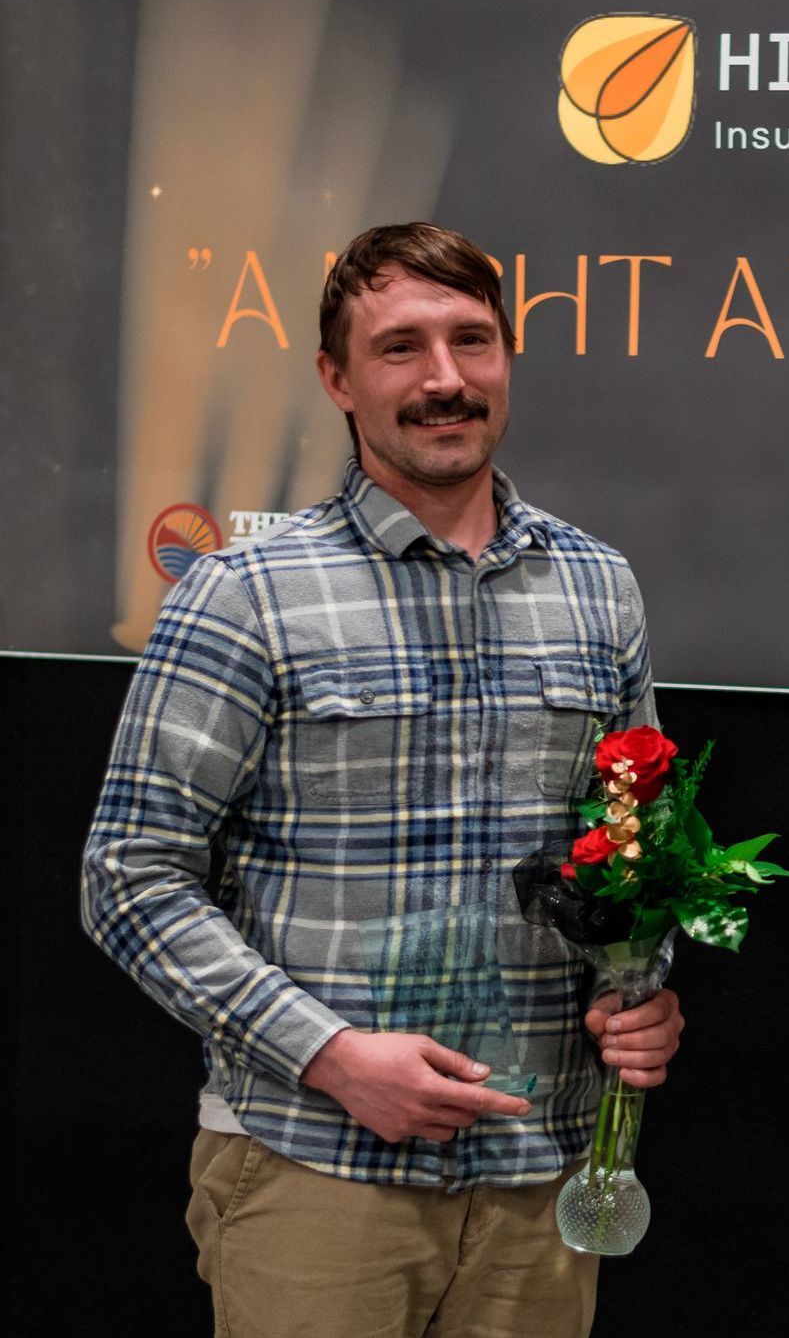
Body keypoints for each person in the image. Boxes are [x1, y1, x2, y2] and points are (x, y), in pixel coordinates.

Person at [81, 222, 683, 1336]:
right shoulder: (246, 593)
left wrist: (639, 992)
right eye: (402, 347)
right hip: (316, 1174)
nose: (445, 379)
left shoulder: (600, 588)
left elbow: (637, 856)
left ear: (507, 358)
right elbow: (130, 878)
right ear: (337, 379)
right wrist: (331, 1055)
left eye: (473, 341)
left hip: (535, 1183)